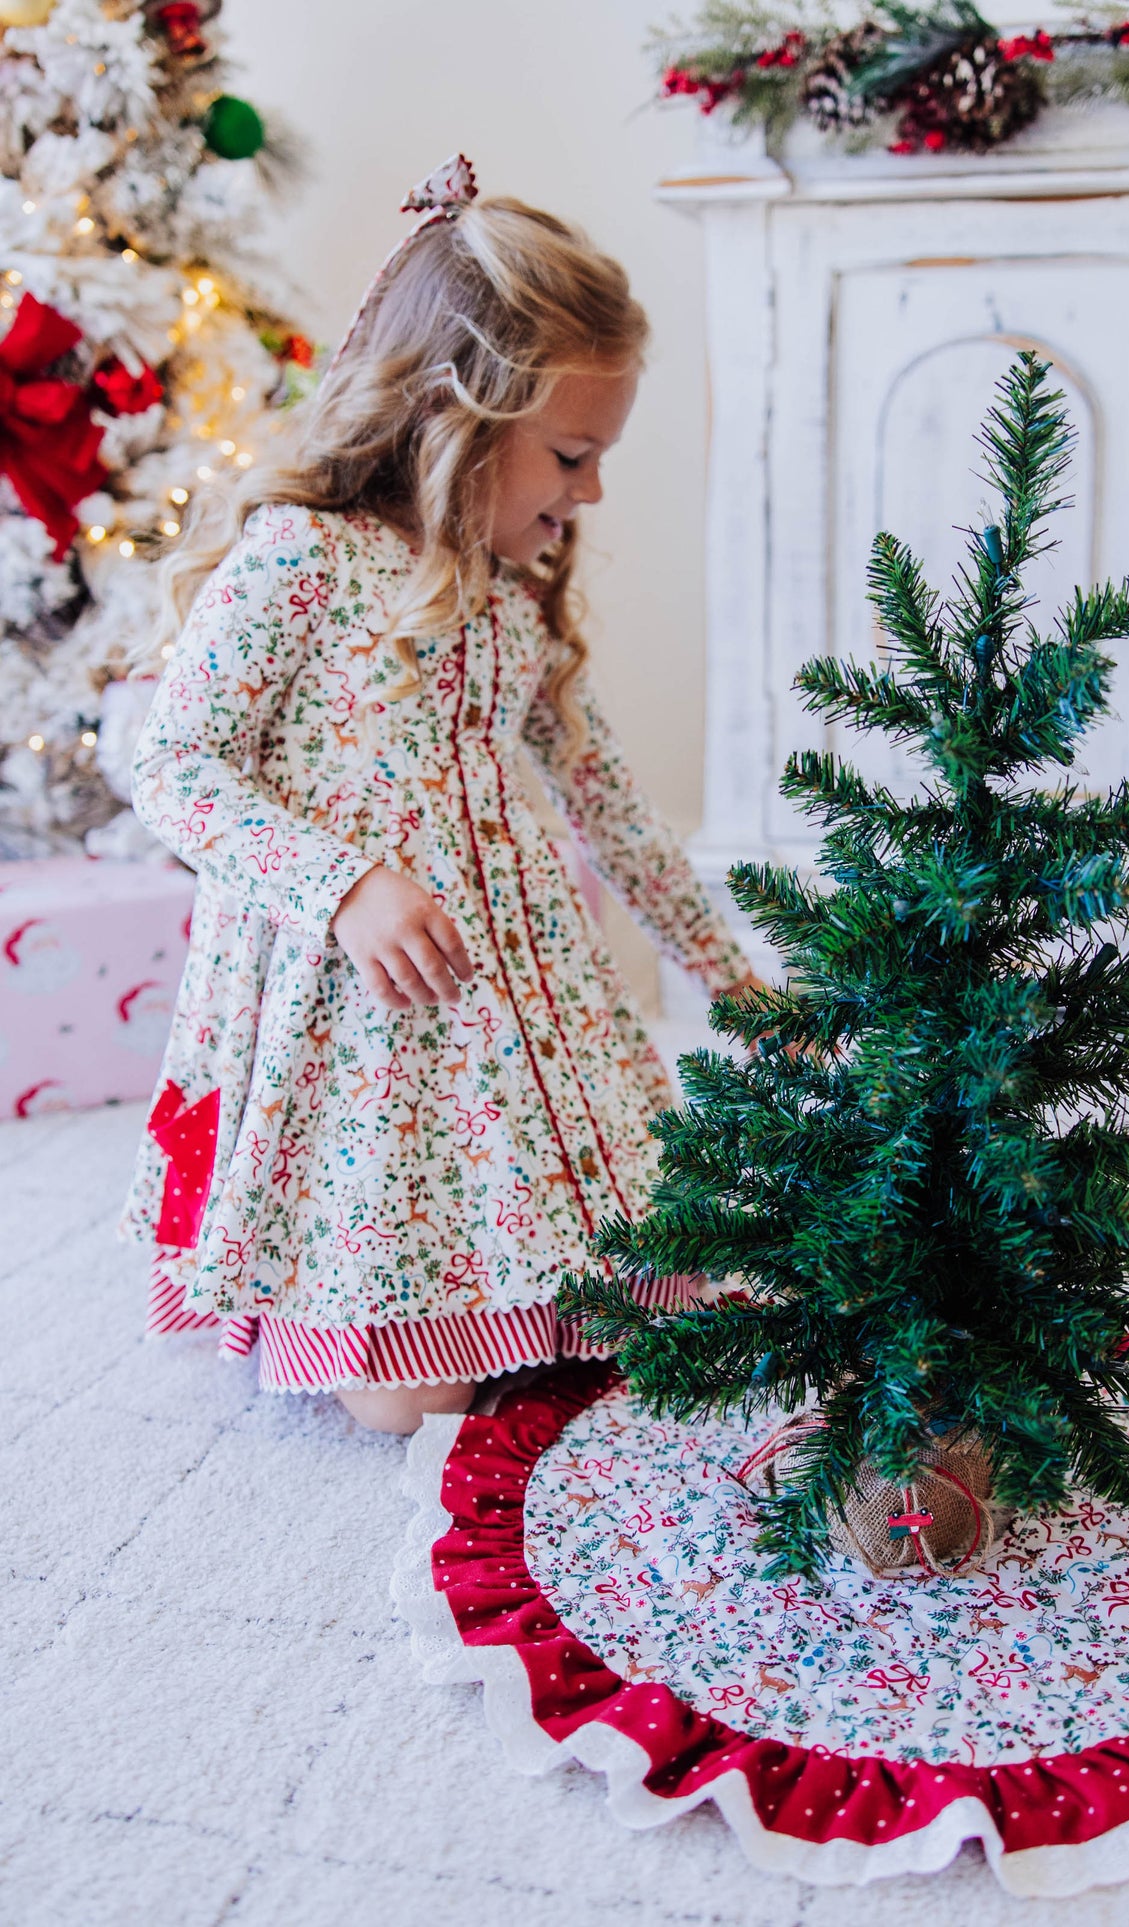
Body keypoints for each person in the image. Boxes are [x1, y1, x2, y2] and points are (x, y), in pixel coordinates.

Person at [120, 156, 755, 1433]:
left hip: (518, 1011)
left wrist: (732, 979)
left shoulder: (515, 599)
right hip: (365, 1023)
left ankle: (521, 1292)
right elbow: (173, 767)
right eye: (572, 456)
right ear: (457, 413)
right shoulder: (301, 556)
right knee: (405, 1408)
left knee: (663, 1316)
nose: (588, 496)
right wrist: (343, 884)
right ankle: (384, 1313)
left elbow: (611, 806)